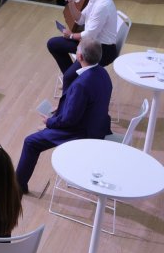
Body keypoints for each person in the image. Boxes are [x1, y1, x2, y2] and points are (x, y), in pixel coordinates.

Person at [16, 38, 112, 194]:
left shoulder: (81, 84)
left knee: (31, 142)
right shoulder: (103, 72)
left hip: (82, 133)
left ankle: (18, 187)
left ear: (79, 56)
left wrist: (50, 122)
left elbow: (69, 120)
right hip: (98, 125)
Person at [48, 0, 120, 74]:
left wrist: (71, 35)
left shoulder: (103, 5)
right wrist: (71, 3)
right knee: (53, 44)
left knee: (69, 76)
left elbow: (89, 35)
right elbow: (81, 20)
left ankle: (72, 79)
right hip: (89, 43)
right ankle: (74, 79)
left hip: (101, 50)